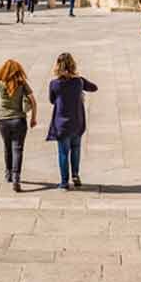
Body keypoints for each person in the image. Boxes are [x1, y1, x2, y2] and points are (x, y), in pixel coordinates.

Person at [47, 53, 97, 189]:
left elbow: (52, 100)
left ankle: (64, 182)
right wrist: (80, 81)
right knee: (76, 149)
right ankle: (75, 174)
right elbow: (94, 87)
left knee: (63, 152)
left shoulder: (54, 84)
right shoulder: (79, 81)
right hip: (77, 123)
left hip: (61, 124)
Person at [0, 59, 37, 192]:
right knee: (18, 149)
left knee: (7, 148)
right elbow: (33, 101)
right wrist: (33, 119)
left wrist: (1, 78)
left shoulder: (1, 84)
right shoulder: (22, 83)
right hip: (19, 120)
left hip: (3, 120)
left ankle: (8, 174)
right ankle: (16, 178)